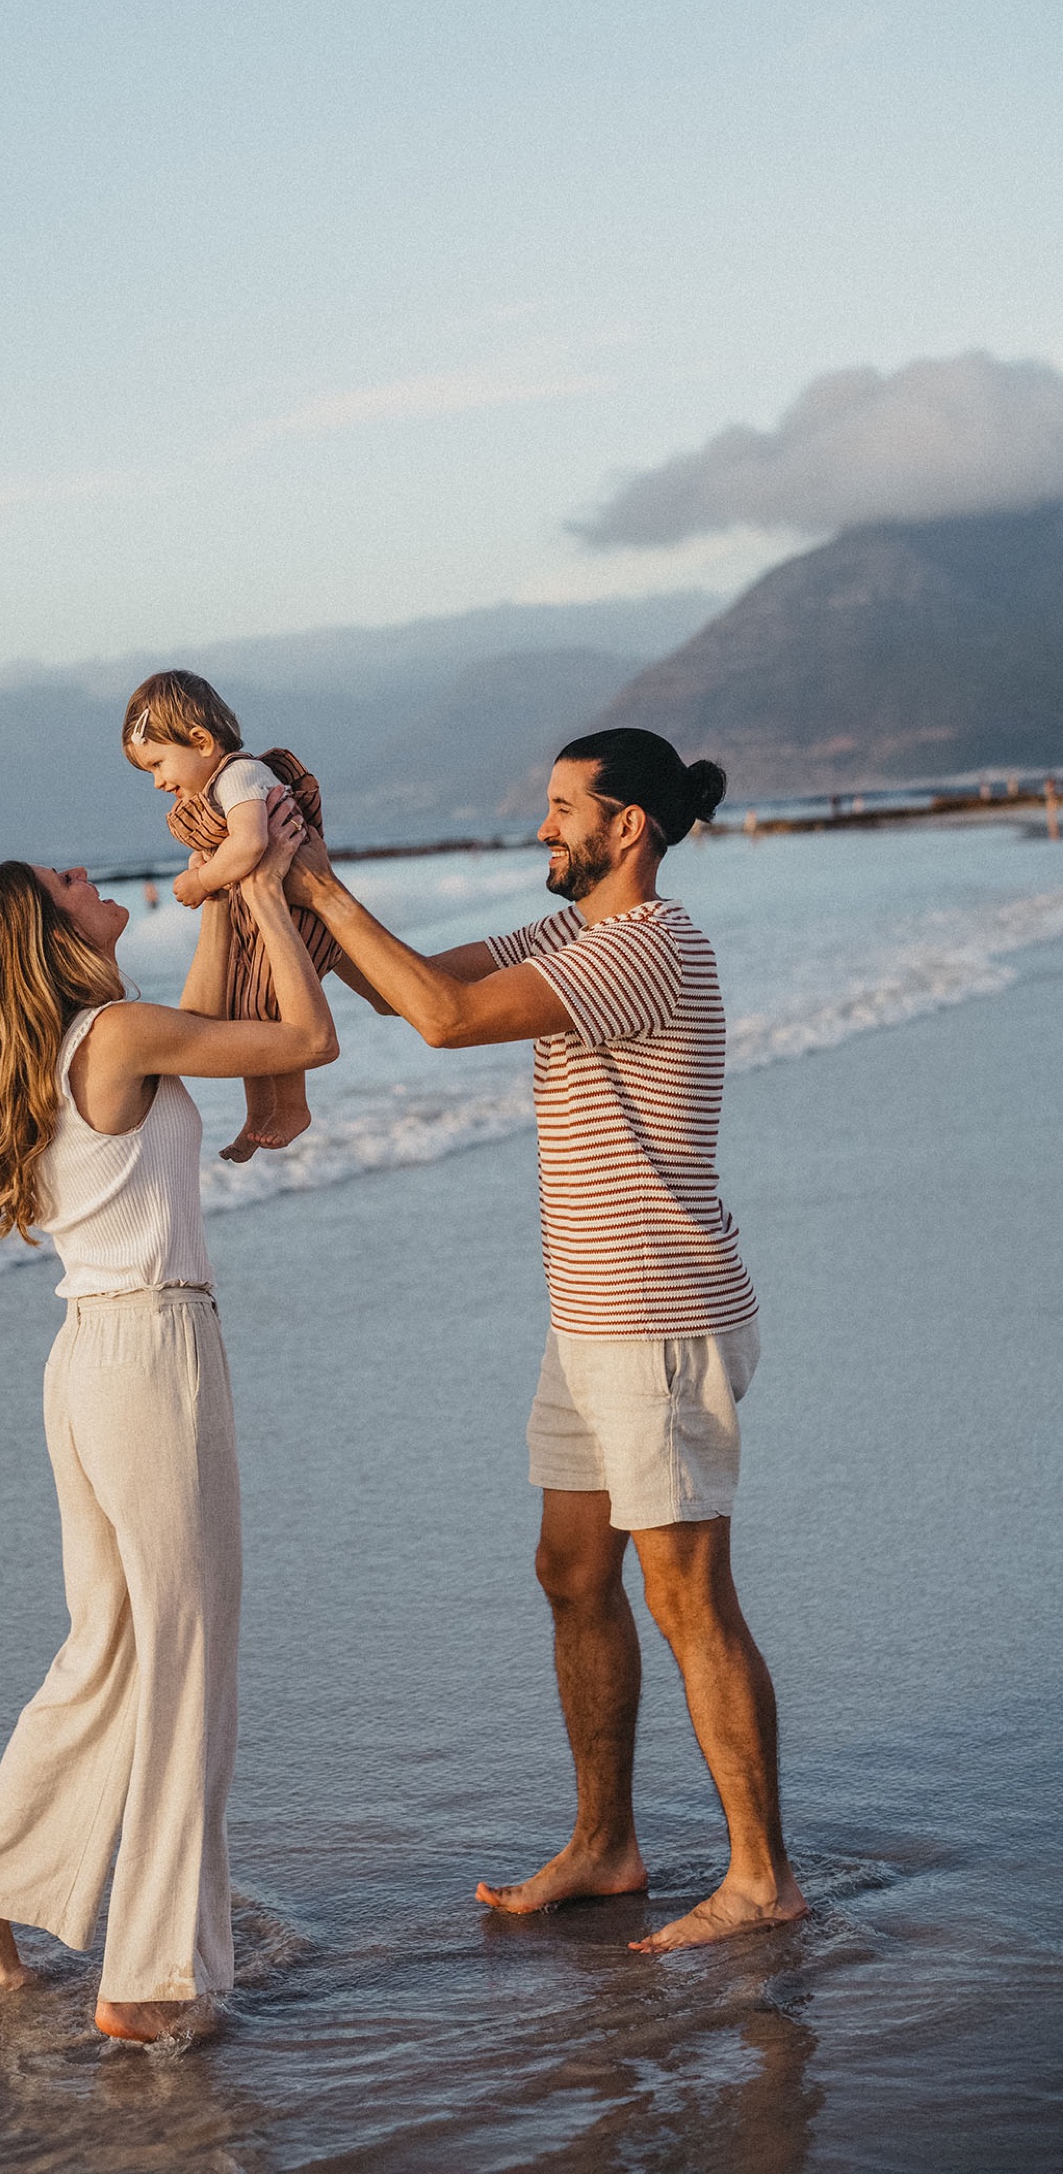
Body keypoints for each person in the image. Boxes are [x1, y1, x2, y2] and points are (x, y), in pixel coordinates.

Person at [284, 728, 807, 1955]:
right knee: (573, 1572)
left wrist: (314, 884)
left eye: (565, 807)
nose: (543, 828)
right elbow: (397, 979)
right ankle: (607, 1841)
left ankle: (761, 1877)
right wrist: (303, 858)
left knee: (688, 1595)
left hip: (663, 1317)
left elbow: (448, 1018)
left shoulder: (651, 945)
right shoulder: (569, 936)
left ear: (629, 828)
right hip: (590, 1318)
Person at [0, 796, 337, 2040]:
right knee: (185, 1656)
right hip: (152, 1350)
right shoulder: (110, 1032)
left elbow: (216, 1013)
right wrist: (263, 875)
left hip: (85, 1359)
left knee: (108, 1642)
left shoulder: (84, 1040)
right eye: (60, 880)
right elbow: (303, 1037)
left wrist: (222, 886)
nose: (80, 867)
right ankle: (154, 1978)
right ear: (49, 936)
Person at [123, 669, 340, 1163]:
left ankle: (292, 1106)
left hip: (291, 914)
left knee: (271, 1009)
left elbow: (252, 842)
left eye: (158, 764)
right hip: (262, 917)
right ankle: (259, 1112)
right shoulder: (218, 787)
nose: (158, 782)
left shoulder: (241, 775)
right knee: (249, 1011)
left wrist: (201, 881)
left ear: (201, 741)